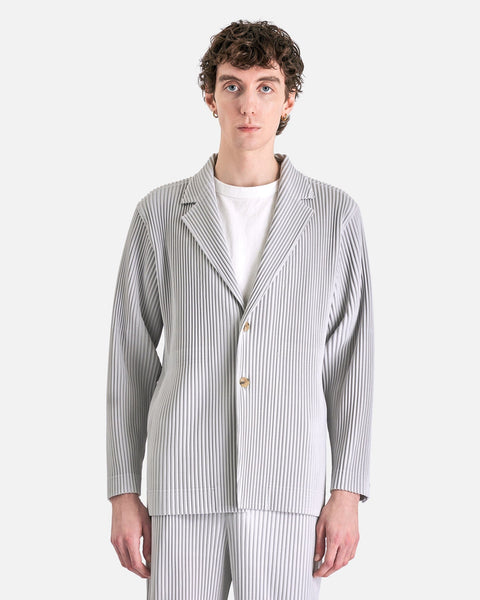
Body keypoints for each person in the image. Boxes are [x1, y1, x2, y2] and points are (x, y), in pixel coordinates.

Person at [106, 19, 374, 600]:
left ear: (289, 99)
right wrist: (124, 490)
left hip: (290, 489)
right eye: (232, 86)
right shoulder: (159, 214)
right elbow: (130, 361)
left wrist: (347, 491)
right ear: (211, 97)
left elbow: (350, 363)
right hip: (184, 487)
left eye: (265, 87)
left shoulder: (335, 217)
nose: (248, 105)